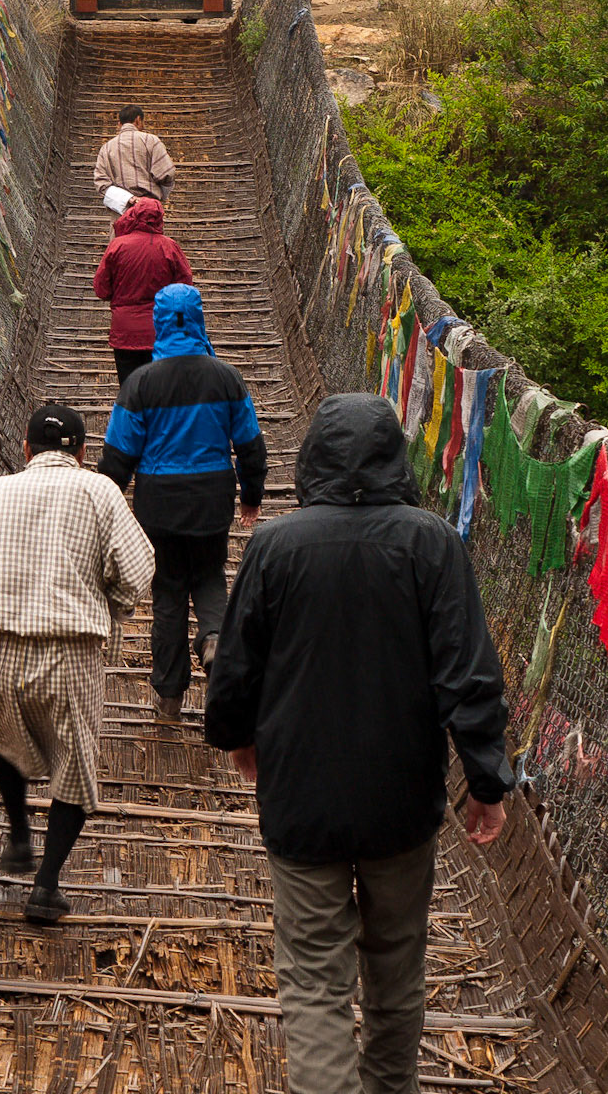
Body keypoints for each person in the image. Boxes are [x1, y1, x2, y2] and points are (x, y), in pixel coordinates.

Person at [203, 394, 514, 1094]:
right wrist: (487, 782)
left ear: (310, 458)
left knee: (314, 980)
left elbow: (237, 664)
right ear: (394, 459)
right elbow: (469, 674)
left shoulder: (275, 545)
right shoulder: (432, 543)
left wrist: (237, 736)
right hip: (400, 797)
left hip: (300, 794)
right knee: (396, 972)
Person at [0, 402, 154, 924]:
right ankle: (46, 886)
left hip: (2, 649)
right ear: (84, 453)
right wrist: (110, 602)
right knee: (75, 761)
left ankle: (19, 835)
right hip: (72, 652)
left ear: (25, 449)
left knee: (4, 734)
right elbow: (137, 568)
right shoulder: (101, 492)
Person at [98, 284, 266, 721]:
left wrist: (105, 498)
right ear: (198, 319)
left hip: (158, 502)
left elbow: (119, 453)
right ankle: (213, 638)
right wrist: (251, 495)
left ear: (158, 322)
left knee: (168, 592)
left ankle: (170, 695)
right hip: (212, 496)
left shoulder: (141, 383)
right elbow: (250, 444)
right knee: (211, 576)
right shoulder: (225, 377)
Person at [93, 198, 194, 385]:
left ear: (134, 215)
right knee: (160, 390)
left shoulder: (117, 246)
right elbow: (184, 289)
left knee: (130, 391)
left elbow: (101, 289)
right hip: (160, 330)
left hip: (125, 332)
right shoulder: (169, 248)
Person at [93, 105, 175, 210]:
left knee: (119, 227)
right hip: (149, 211)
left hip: (121, 215)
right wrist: (160, 195)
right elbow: (167, 173)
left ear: (119, 124)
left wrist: (128, 198)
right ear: (138, 120)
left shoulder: (107, 148)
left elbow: (100, 182)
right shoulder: (151, 141)